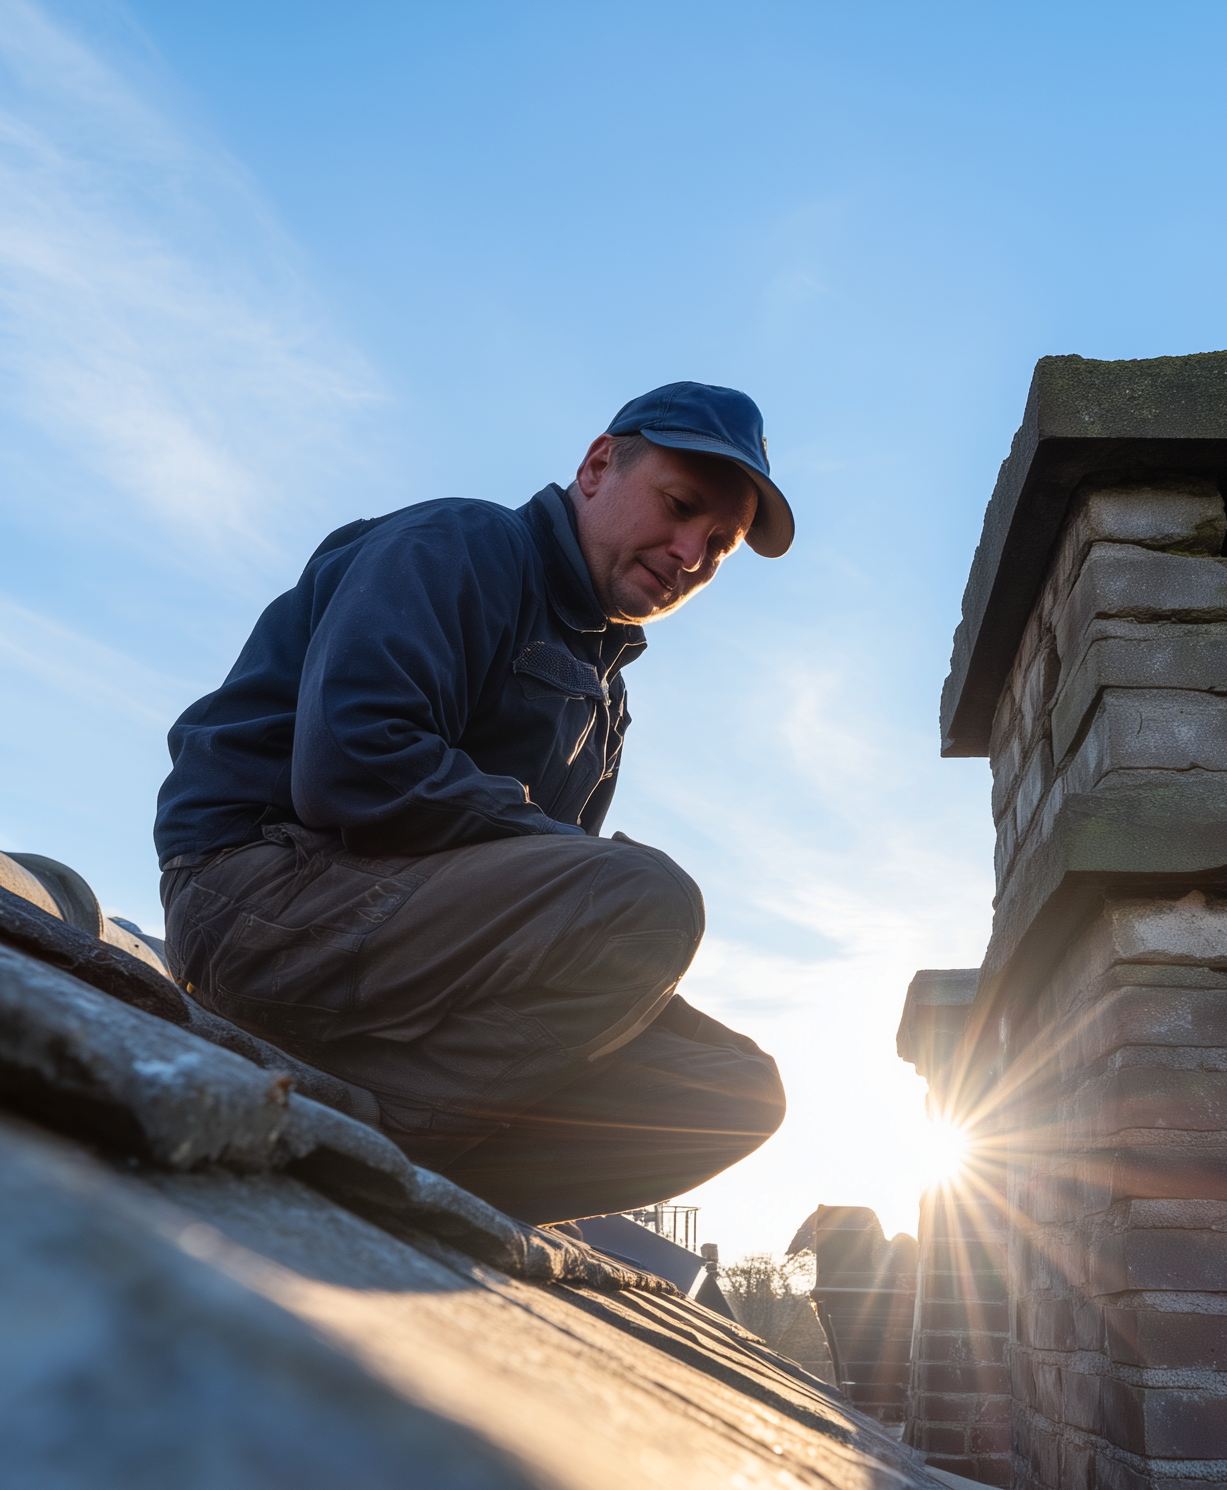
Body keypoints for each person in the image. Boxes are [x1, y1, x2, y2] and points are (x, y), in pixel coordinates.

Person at [152, 383, 791, 1225]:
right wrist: (600, 876)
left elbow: (550, 915)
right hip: (259, 899)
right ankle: (377, 1146)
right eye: (680, 507)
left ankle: (445, 1190)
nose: (689, 552)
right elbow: (352, 764)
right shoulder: (461, 544)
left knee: (736, 1090)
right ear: (599, 465)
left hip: (408, 955)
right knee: (648, 902)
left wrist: (594, 889)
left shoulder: (606, 700)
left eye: (718, 546)